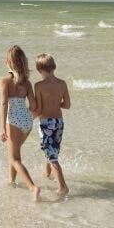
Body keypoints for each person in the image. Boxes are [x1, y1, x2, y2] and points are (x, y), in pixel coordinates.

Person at [0, 45, 40, 201]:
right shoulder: (27, 83)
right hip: (26, 121)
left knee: (14, 158)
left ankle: (33, 187)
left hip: (13, 121)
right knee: (14, 154)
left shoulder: (4, 81)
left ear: (8, 62)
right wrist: (28, 116)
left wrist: (2, 127)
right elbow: (34, 106)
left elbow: (3, 104)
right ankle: (11, 180)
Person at [33, 52, 71, 195]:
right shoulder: (62, 84)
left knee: (51, 155)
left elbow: (39, 109)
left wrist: (27, 119)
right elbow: (67, 105)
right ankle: (47, 175)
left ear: (39, 69)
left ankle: (62, 187)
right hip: (59, 122)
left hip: (46, 123)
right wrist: (55, 102)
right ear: (53, 67)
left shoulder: (39, 86)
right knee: (53, 151)